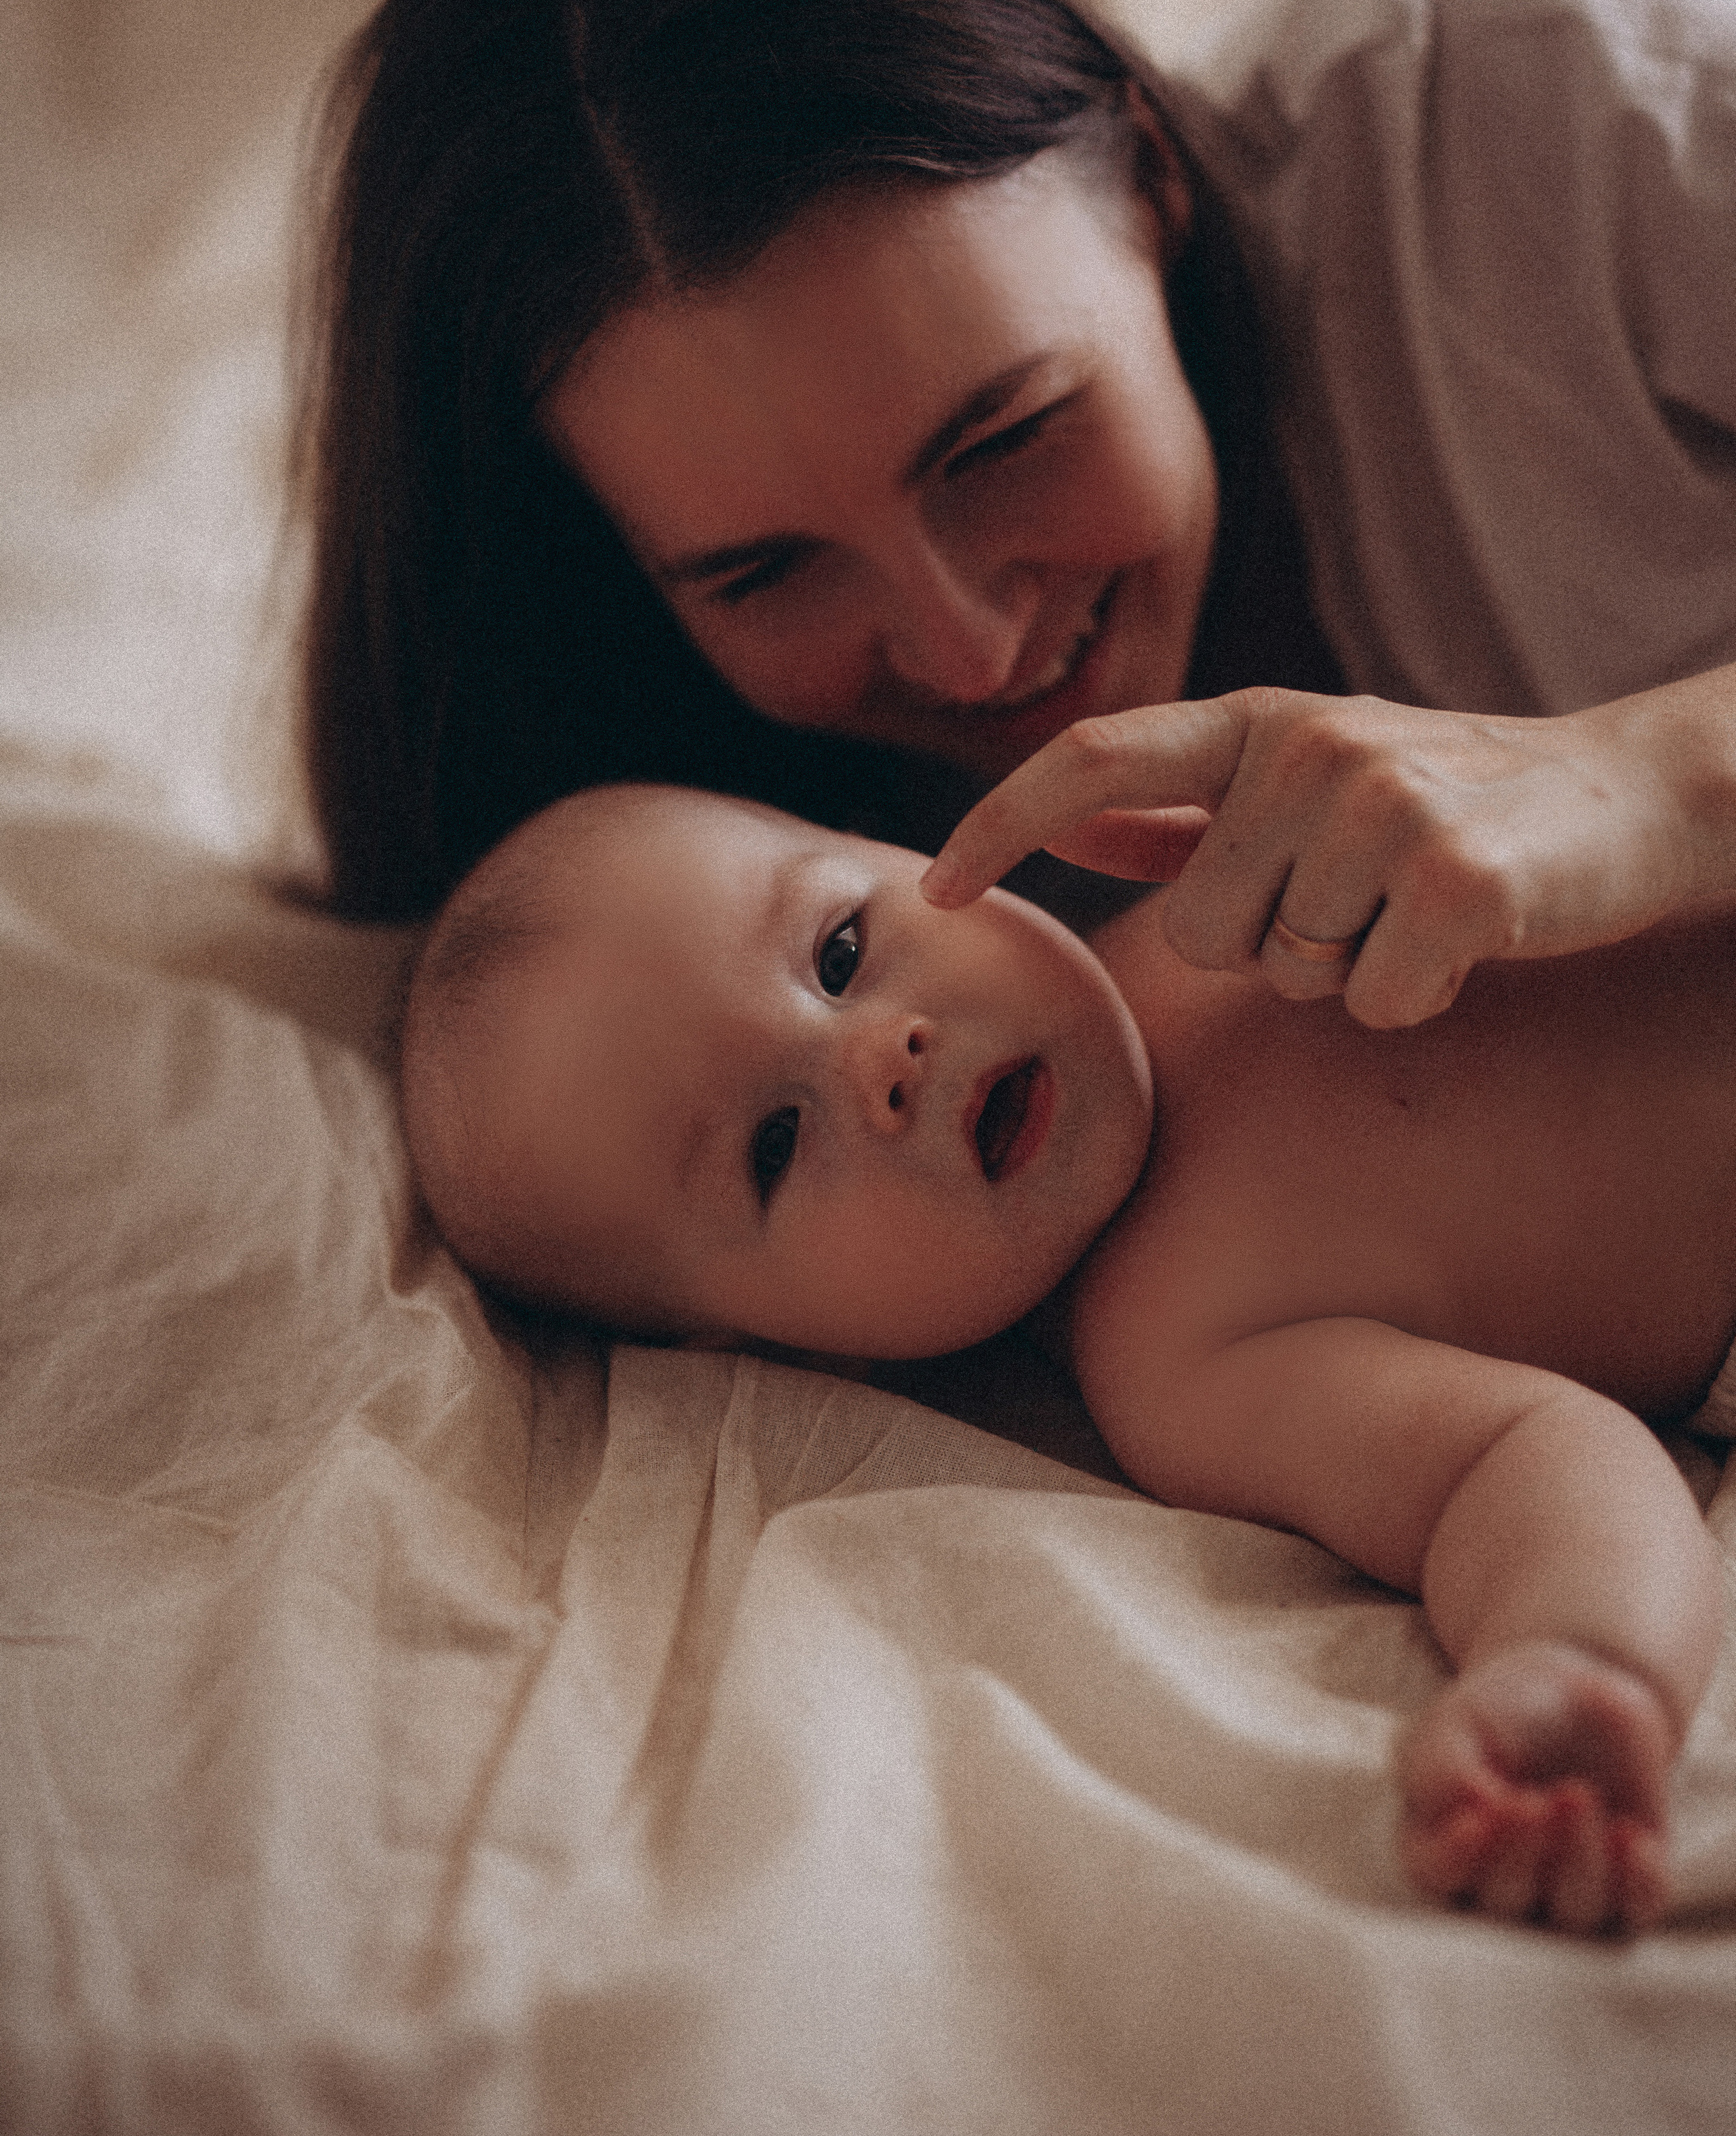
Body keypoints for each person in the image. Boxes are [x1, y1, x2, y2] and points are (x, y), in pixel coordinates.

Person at [298, 0, 1736, 1033]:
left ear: (1148, 172)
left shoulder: (1494, 92)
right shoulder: (728, 913)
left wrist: (1648, 787)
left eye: (1001, 438)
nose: (968, 651)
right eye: (762, 571)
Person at [399, 780, 1735, 1936]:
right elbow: (1515, 1462)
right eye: (771, 1147)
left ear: (891, 844)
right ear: (762, 1340)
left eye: (842, 947)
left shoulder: (1208, 872)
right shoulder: (1180, 1358)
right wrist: (1576, 1663)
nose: (882, 1058)